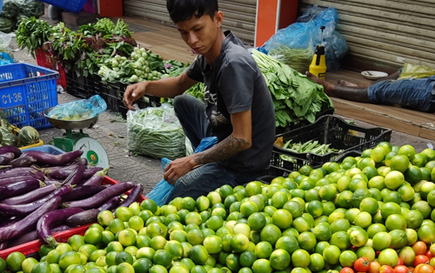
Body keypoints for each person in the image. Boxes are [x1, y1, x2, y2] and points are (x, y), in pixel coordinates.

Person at [123, 0, 276, 201]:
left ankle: (210, 168)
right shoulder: (209, 54)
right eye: (184, 32)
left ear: (218, 19)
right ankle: (206, 160)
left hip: (243, 165)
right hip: (223, 133)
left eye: (197, 29)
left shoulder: (234, 64)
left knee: (177, 198)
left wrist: (192, 161)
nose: (192, 40)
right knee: (182, 102)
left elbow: (242, 139)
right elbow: (178, 85)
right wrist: (147, 86)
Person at [306, 65, 435, 113]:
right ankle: (365, 87)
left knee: (382, 91)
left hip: (431, 93)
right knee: (405, 71)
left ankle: (331, 89)